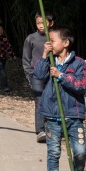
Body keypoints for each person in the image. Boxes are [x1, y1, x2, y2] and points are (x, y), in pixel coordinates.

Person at [33, 26, 86, 171]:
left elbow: (81, 85)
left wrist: (61, 76)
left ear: (65, 43)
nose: (49, 43)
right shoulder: (49, 60)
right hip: (52, 116)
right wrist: (44, 55)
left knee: (80, 150)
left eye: (52, 40)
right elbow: (39, 76)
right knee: (54, 152)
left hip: (74, 116)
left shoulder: (79, 63)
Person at [22, 10, 55, 143]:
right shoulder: (31, 38)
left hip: (52, 73)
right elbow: (26, 58)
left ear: (51, 23)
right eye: (38, 23)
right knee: (40, 101)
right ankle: (40, 130)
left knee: (53, 100)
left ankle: (52, 128)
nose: (41, 26)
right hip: (36, 75)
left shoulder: (55, 38)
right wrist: (30, 74)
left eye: (43, 23)